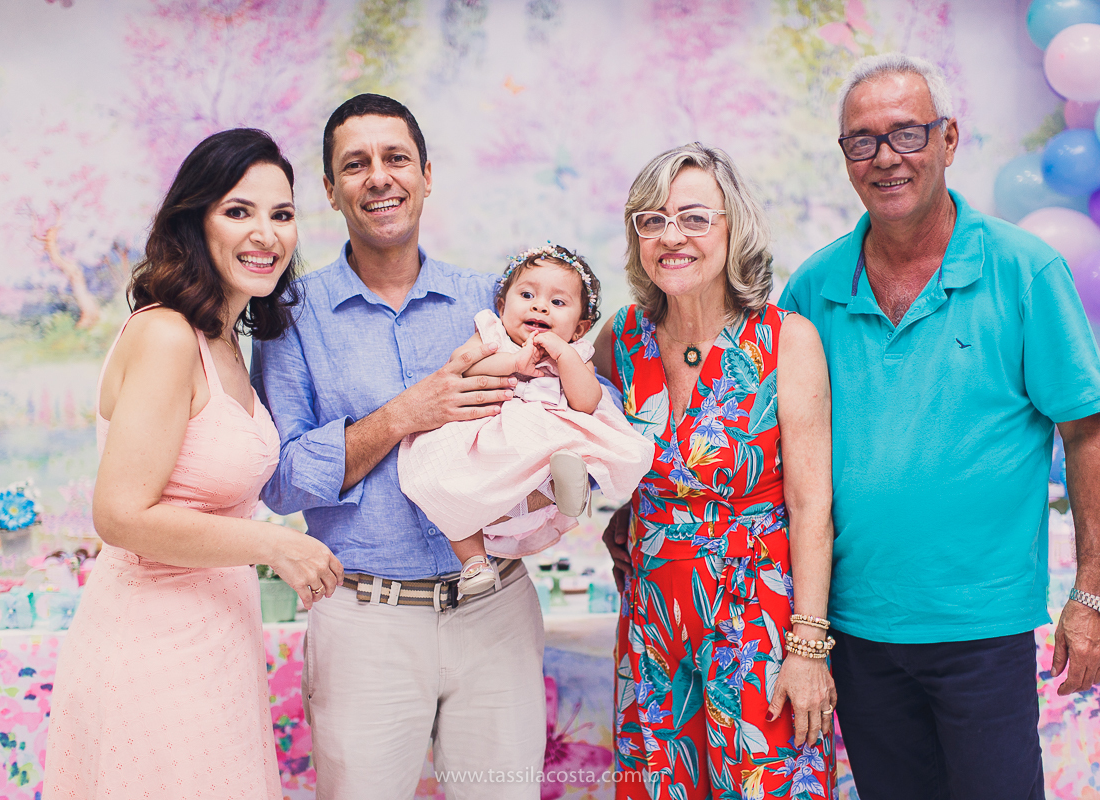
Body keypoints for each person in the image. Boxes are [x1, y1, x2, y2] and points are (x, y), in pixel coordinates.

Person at [777, 53, 1100, 799]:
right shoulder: (812, 289)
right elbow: (776, 448)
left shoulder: (1024, 271)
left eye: (906, 133)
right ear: (845, 159)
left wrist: (1093, 595)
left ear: (948, 139)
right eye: (862, 141)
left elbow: (1089, 432)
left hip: (980, 630)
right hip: (856, 628)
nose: (886, 157)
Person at [251, 94, 560, 799]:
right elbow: (284, 481)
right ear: (330, 191)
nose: (378, 177)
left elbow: (547, 410)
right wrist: (401, 416)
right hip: (365, 621)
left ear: (426, 173)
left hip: (495, 611)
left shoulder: (491, 299)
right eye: (355, 165)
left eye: (395, 159)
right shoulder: (291, 319)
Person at [43, 129, 344, 799]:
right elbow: (120, 515)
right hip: (150, 650)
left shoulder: (227, 342)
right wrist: (272, 543)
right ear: (193, 220)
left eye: (282, 214)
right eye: (238, 210)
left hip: (218, 645)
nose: (265, 232)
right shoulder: (166, 333)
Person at [594, 143, 838, 799]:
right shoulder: (619, 339)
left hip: (756, 618)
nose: (671, 236)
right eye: (652, 220)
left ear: (734, 228)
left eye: (694, 218)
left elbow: (812, 507)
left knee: (768, 785)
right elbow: (589, 444)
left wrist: (809, 648)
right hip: (652, 623)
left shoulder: (786, 340)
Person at [398, 243, 653, 592]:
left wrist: (564, 357)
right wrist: (515, 362)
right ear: (502, 306)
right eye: (527, 294)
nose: (539, 305)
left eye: (558, 302)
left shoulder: (575, 354)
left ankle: (560, 488)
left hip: (540, 440)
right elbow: (465, 363)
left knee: (578, 446)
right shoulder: (493, 334)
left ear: (579, 328)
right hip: (487, 437)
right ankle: (473, 562)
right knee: (447, 481)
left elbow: (587, 402)